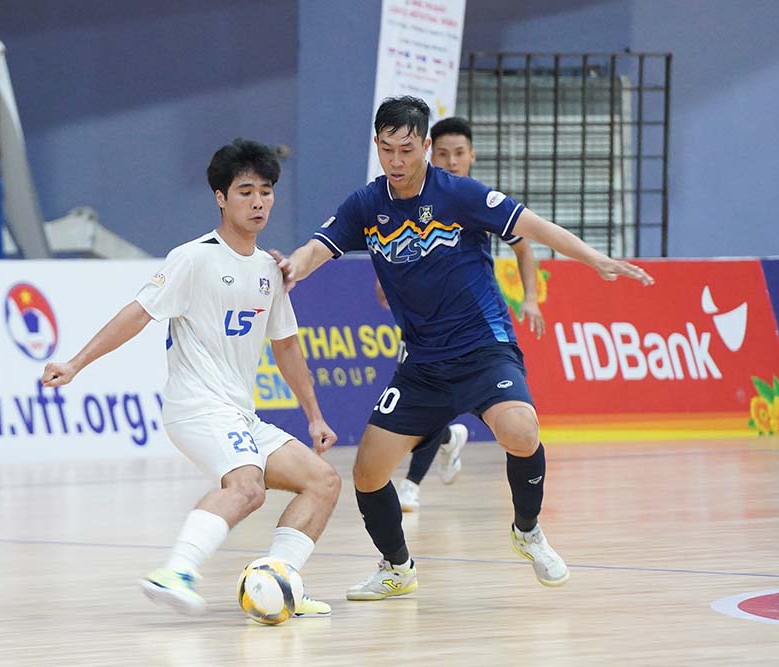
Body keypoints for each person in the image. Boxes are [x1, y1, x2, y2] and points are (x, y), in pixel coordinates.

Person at [274, 96, 653, 600]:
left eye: (406, 149)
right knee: (367, 472)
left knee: (521, 430)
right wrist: (295, 268)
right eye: (386, 150)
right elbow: (320, 245)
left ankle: (528, 531)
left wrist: (593, 259)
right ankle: (397, 567)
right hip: (422, 364)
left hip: (482, 348)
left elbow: (532, 228)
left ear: (425, 146)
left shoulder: (459, 194)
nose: (396, 161)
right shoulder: (366, 205)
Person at [41, 139, 341, 617]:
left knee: (323, 481)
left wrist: (314, 416)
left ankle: (279, 579)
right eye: (245, 191)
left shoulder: (270, 269)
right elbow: (137, 314)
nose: (258, 201)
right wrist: (76, 363)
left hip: (240, 414)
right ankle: (176, 570)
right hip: (196, 406)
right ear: (220, 198)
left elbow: (286, 346)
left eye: (266, 191)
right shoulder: (193, 258)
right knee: (248, 487)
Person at [386, 116, 547, 512]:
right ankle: (446, 440)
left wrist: (531, 299)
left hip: (469, 328)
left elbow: (524, 246)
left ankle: (411, 484)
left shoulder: (474, 199)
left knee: (451, 400)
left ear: (471, 157)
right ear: (429, 154)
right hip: (422, 327)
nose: (451, 161)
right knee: (422, 410)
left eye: (459, 154)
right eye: (443, 154)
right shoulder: (402, 201)